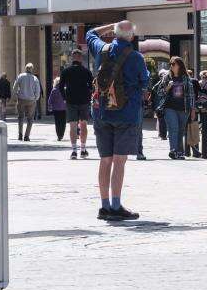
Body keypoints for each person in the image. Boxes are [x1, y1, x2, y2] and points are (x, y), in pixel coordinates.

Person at [87, 21, 149, 221]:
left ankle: (104, 206)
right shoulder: (136, 57)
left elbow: (90, 33)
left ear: (114, 33)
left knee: (105, 160)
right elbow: (145, 81)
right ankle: (115, 205)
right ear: (131, 36)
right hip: (126, 114)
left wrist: (110, 26)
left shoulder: (101, 50)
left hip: (101, 112)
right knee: (119, 161)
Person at [156, 57, 196, 160]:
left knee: (181, 130)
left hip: (184, 108)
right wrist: (167, 88)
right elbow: (159, 92)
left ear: (179, 65)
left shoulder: (186, 78)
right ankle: (173, 150)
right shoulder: (167, 77)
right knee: (173, 129)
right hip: (169, 107)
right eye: (170, 64)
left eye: (173, 64)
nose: (171, 66)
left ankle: (180, 152)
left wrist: (192, 110)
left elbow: (191, 95)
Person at [59, 50, 93, 159]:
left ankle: (74, 151)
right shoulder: (86, 71)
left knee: (73, 126)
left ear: (72, 58)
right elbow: (92, 86)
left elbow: (60, 87)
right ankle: (83, 149)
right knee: (83, 125)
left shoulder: (66, 71)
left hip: (71, 101)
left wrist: (65, 98)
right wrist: (89, 95)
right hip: (84, 101)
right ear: (81, 58)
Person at [12, 63, 42, 141]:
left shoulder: (20, 76)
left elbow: (15, 87)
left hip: (21, 99)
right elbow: (38, 90)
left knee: (20, 117)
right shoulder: (35, 78)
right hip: (31, 100)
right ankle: (26, 136)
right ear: (32, 69)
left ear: (25, 69)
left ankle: (20, 134)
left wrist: (15, 95)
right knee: (30, 118)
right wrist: (36, 98)